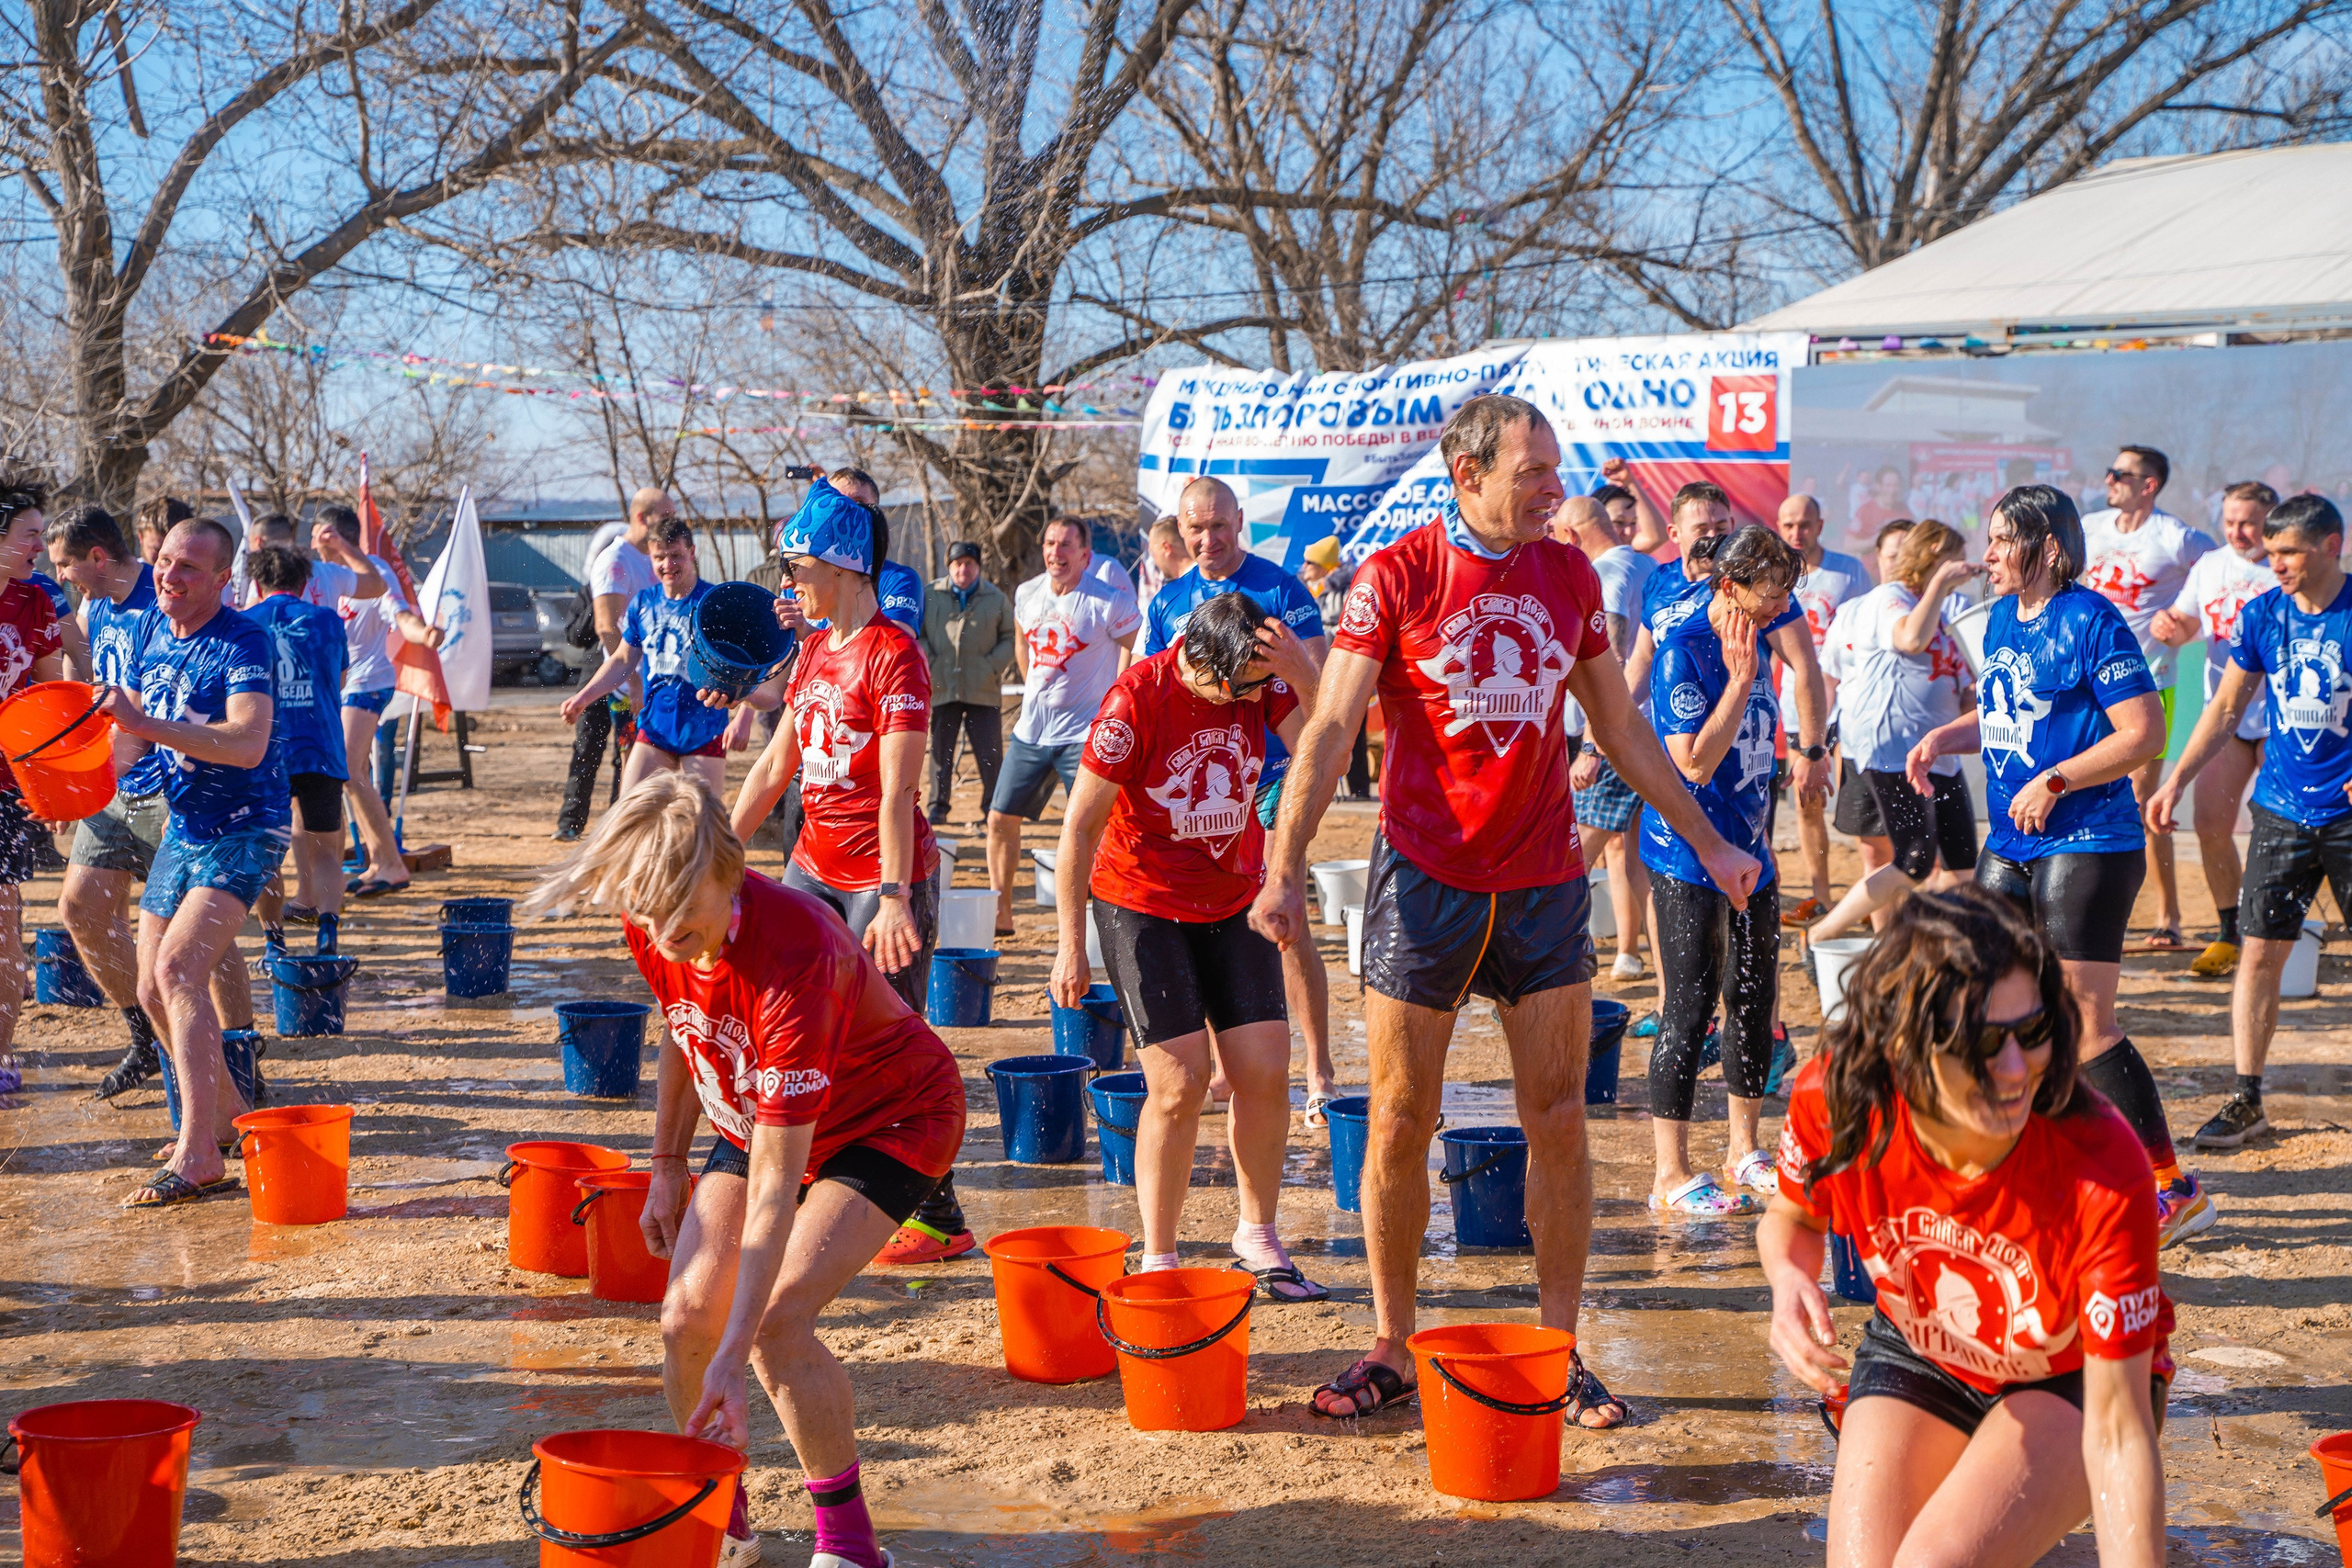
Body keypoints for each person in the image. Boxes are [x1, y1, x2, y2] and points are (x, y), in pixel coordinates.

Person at [1250, 394, 1763, 1424]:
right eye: (1531, 473)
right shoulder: (1394, 576)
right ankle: (1393, 1345)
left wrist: (1709, 840)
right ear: (1465, 472)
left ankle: (1558, 1348)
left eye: (1554, 471)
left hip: (1539, 885)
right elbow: (1333, 723)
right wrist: (1281, 864)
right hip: (1423, 881)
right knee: (1398, 1120)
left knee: (1561, 1118)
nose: (1553, 491)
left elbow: (1617, 725)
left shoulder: (1568, 571)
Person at [524, 774, 966, 1568]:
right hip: (752, 1099)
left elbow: (772, 1193)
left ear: (731, 873)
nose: (664, 939)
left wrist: (736, 1355)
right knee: (687, 1317)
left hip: (891, 1116)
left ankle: (851, 1545)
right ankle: (725, 1510)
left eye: (684, 926)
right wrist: (665, 1164)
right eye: (652, 921)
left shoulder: (800, 953)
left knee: (771, 1324)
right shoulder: (660, 913)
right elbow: (682, 1023)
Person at [1761, 887, 2169, 1568]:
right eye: (1981, 1042)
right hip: (1921, 1352)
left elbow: (2120, 1432)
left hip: (2068, 1378)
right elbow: (1793, 1216)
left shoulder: (2103, 1161)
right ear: (1903, 1042)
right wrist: (1788, 1277)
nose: (2015, 1069)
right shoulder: (1837, 1099)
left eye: (2032, 1031)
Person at [1906, 485, 2211, 1247]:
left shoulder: (2092, 618)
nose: (1991, 553)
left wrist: (2057, 780)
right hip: (2012, 842)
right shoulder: (2005, 617)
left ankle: (2170, 1185)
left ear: (2048, 547)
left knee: (2083, 1020)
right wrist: (1949, 736)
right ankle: (2037, 1161)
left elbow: (2142, 733)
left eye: (2005, 539)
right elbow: (2014, 709)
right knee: (1988, 996)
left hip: (2089, 842)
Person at [1048, 592, 1326, 1297]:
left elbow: (1328, 747)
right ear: (1199, 662)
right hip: (1142, 900)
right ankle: (1161, 1258)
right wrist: (1068, 945)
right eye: (1245, 688)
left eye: (1264, 687)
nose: (1256, 701)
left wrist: (1303, 670)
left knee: (1265, 1066)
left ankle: (1258, 1235)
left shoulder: (1261, 680)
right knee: (1179, 1082)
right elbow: (1079, 829)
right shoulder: (1134, 700)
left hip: (1233, 891)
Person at [729, 481, 967, 1268]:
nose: (791, 584)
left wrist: (896, 898)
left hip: (881, 877)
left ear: (843, 566)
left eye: (800, 568)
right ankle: (816, 1185)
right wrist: (719, 852)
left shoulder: (896, 656)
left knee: (884, 1050)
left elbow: (901, 789)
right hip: (812, 867)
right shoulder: (816, 650)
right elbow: (775, 764)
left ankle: (938, 1213)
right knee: (784, 1026)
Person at [2147, 494, 2350, 1154]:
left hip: (2348, 817)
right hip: (2284, 812)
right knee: (2259, 953)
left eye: (2289, 552)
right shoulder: (2265, 614)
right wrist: (2176, 776)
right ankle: (2247, 1099)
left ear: (2331, 545)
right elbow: (2229, 702)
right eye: (2270, 554)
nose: (2276, 565)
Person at [106, 516, 285, 1209]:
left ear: (221, 579)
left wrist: (145, 725)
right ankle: (230, 1121)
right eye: (165, 561)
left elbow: (247, 742)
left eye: (188, 568)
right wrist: (82, 781)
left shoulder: (244, 639)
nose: (169, 576)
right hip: (185, 825)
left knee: (181, 969)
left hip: (246, 827)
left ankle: (197, 1150)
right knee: (152, 988)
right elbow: (136, 731)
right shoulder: (154, 628)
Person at [1148, 478, 1340, 1114]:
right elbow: (1152, 690)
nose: (1206, 540)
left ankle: (1318, 1069)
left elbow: (1320, 695)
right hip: (1203, 785)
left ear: (1239, 523)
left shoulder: (1281, 589)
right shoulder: (1169, 600)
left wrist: (1291, 667)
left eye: (1219, 526)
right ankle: (1225, 1064)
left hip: (1273, 778)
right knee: (1202, 920)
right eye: (1194, 528)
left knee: (1286, 923)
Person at [1642, 526, 1805, 1215]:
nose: (1777, 609)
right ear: (1728, 585)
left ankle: (1745, 1148)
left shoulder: (1755, 636)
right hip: (1689, 855)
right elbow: (1694, 763)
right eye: (1769, 596)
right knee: (1689, 1008)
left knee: (1753, 1000)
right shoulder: (1686, 651)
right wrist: (1740, 682)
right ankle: (1670, 1173)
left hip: (1753, 854)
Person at [1805, 523, 1982, 941]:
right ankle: (1820, 935)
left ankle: (1938, 949)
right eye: (1951, 557)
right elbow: (1910, 639)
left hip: (1938, 749)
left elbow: (1959, 675)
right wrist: (1940, 584)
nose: (1958, 565)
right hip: (1891, 751)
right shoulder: (1890, 598)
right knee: (1914, 860)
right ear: (1932, 558)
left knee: (1962, 864)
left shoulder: (1945, 605)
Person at [2080, 446, 2215, 949]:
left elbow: (2222, 580)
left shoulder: (2177, 537)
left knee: (2139, 802)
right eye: (2109, 470)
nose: (2109, 478)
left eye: (2121, 473)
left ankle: (2168, 915)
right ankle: (2088, 905)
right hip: (2086, 684)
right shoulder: (2090, 527)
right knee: (2081, 790)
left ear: (2149, 484)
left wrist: (2184, 625)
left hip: (2147, 685)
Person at [2148, 481, 2280, 977]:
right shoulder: (2210, 566)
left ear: (2272, 518)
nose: (2237, 532)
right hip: (2223, 716)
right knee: (2209, 824)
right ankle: (2232, 931)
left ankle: (2286, 927)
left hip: (2280, 720)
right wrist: (2171, 629)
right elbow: (2186, 624)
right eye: (2230, 522)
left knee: (2284, 828)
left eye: (2248, 522)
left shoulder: (2285, 570)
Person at [986, 514, 1140, 937]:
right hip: (1032, 730)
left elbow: (1138, 644)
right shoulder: (1027, 592)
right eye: (1051, 544)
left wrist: (1116, 695)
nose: (1056, 553)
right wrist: (1034, 679)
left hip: (1084, 735)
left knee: (1093, 827)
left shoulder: (1107, 600)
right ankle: (1002, 913)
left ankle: (1103, 916)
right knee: (1000, 819)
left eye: (1066, 545)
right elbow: (1021, 639)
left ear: (1085, 555)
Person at [1558, 495, 1657, 979]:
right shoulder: (1644, 564)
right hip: (1648, 732)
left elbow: (1614, 669)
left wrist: (1594, 746)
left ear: (1571, 536)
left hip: (1618, 735)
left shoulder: (1606, 575)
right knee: (1635, 859)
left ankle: (1553, 964)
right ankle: (1639, 959)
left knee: (1572, 857)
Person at [562, 515, 729, 795]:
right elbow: (623, 660)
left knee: (701, 823)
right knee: (631, 811)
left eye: (676, 556)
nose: (668, 565)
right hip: (655, 728)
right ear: (650, 557)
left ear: (692, 552)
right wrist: (583, 697)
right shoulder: (644, 601)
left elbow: (739, 662)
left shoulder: (712, 602)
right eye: (659, 557)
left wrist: (743, 710)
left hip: (703, 729)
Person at [243, 547, 354, 958]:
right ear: (306, 583)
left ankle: (274, 943)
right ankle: (327, 935)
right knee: (327, 848)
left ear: (257, 583)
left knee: (268, 851)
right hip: (321, 748)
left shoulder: (244, 622)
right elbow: (339, 679)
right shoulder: (328, 620)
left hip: (265, 752)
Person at [322, 504, 436, 897]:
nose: (317, 547)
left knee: (350, 771)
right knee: (353, 777)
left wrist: (423, 634)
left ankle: (391, 863)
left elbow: (401, 616)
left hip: (369, 680)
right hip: (338, 684)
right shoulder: (326, 575)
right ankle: (379, 860)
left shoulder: (374, 570)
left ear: (338, 538)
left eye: (324, 538)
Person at [1773, 494, 1872, 924]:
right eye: (1789, 525)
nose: (1798, 533)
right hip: (1799, 713)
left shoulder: (1848, 571)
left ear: (1820, 524)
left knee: (1864, 805)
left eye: (1806, 524)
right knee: (1807, 803)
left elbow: (1871, 632)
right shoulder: (1773, 574)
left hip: (1848, 709)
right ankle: (1820, 897)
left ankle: (1878, 895)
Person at [0, 469, 68, 1078]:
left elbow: (51, 691)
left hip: (5, 784)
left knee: (3, 914)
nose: (40, 546)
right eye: (29, 534)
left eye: (43, 534)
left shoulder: (35, 601)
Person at [556, 489, 666, 841]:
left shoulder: (657, 557)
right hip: (617, 682)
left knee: (637, 761)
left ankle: (624, 830)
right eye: (665, 517)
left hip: (650, 681)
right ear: (641, 518)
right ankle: (575, 825)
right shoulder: (616, 559)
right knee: (602, 751)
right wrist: (632, 681)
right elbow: (606, 626)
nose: (672, 523)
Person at [921, 539, 1014, 827]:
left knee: (990, 753)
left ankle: (993, 806)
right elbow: (917, 634)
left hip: (982, 688)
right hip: (943, 686)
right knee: (940, 751)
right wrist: (931, 661)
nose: (963, 569)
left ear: (978, 567)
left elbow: (1010, 637)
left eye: (969, 564)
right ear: (949, 566)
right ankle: (938, 806)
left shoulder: (996, 598)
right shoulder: (930, 594)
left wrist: (991, 666)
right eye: (958, 564)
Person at [1298, 536, 1373, 802]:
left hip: (1349, 671)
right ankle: (1319, 785)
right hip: (1320, 671)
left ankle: (1360, 788)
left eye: (1311, 561)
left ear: (1324, 565)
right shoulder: (1305, 589)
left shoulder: (1347, 586)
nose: (1304, 566)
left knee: (1355, 730)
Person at [1135, 513, 1190, 620]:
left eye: (1153, 553)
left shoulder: (1168, 599)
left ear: (1166, 548)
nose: (1153, 560)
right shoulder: (1217, 578)